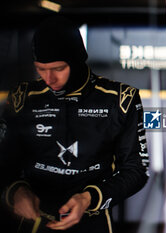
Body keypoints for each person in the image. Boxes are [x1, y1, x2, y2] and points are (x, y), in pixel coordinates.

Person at [0, 16, 149, 233]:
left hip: (92, 219)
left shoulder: (120, 99)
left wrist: (90, 198)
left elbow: (137, 170)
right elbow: (4, 163)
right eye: (41, 69)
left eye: (58, 68)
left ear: (78, 60)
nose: (49, 78)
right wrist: (16, 191)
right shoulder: (23, 97)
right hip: (34, 220)